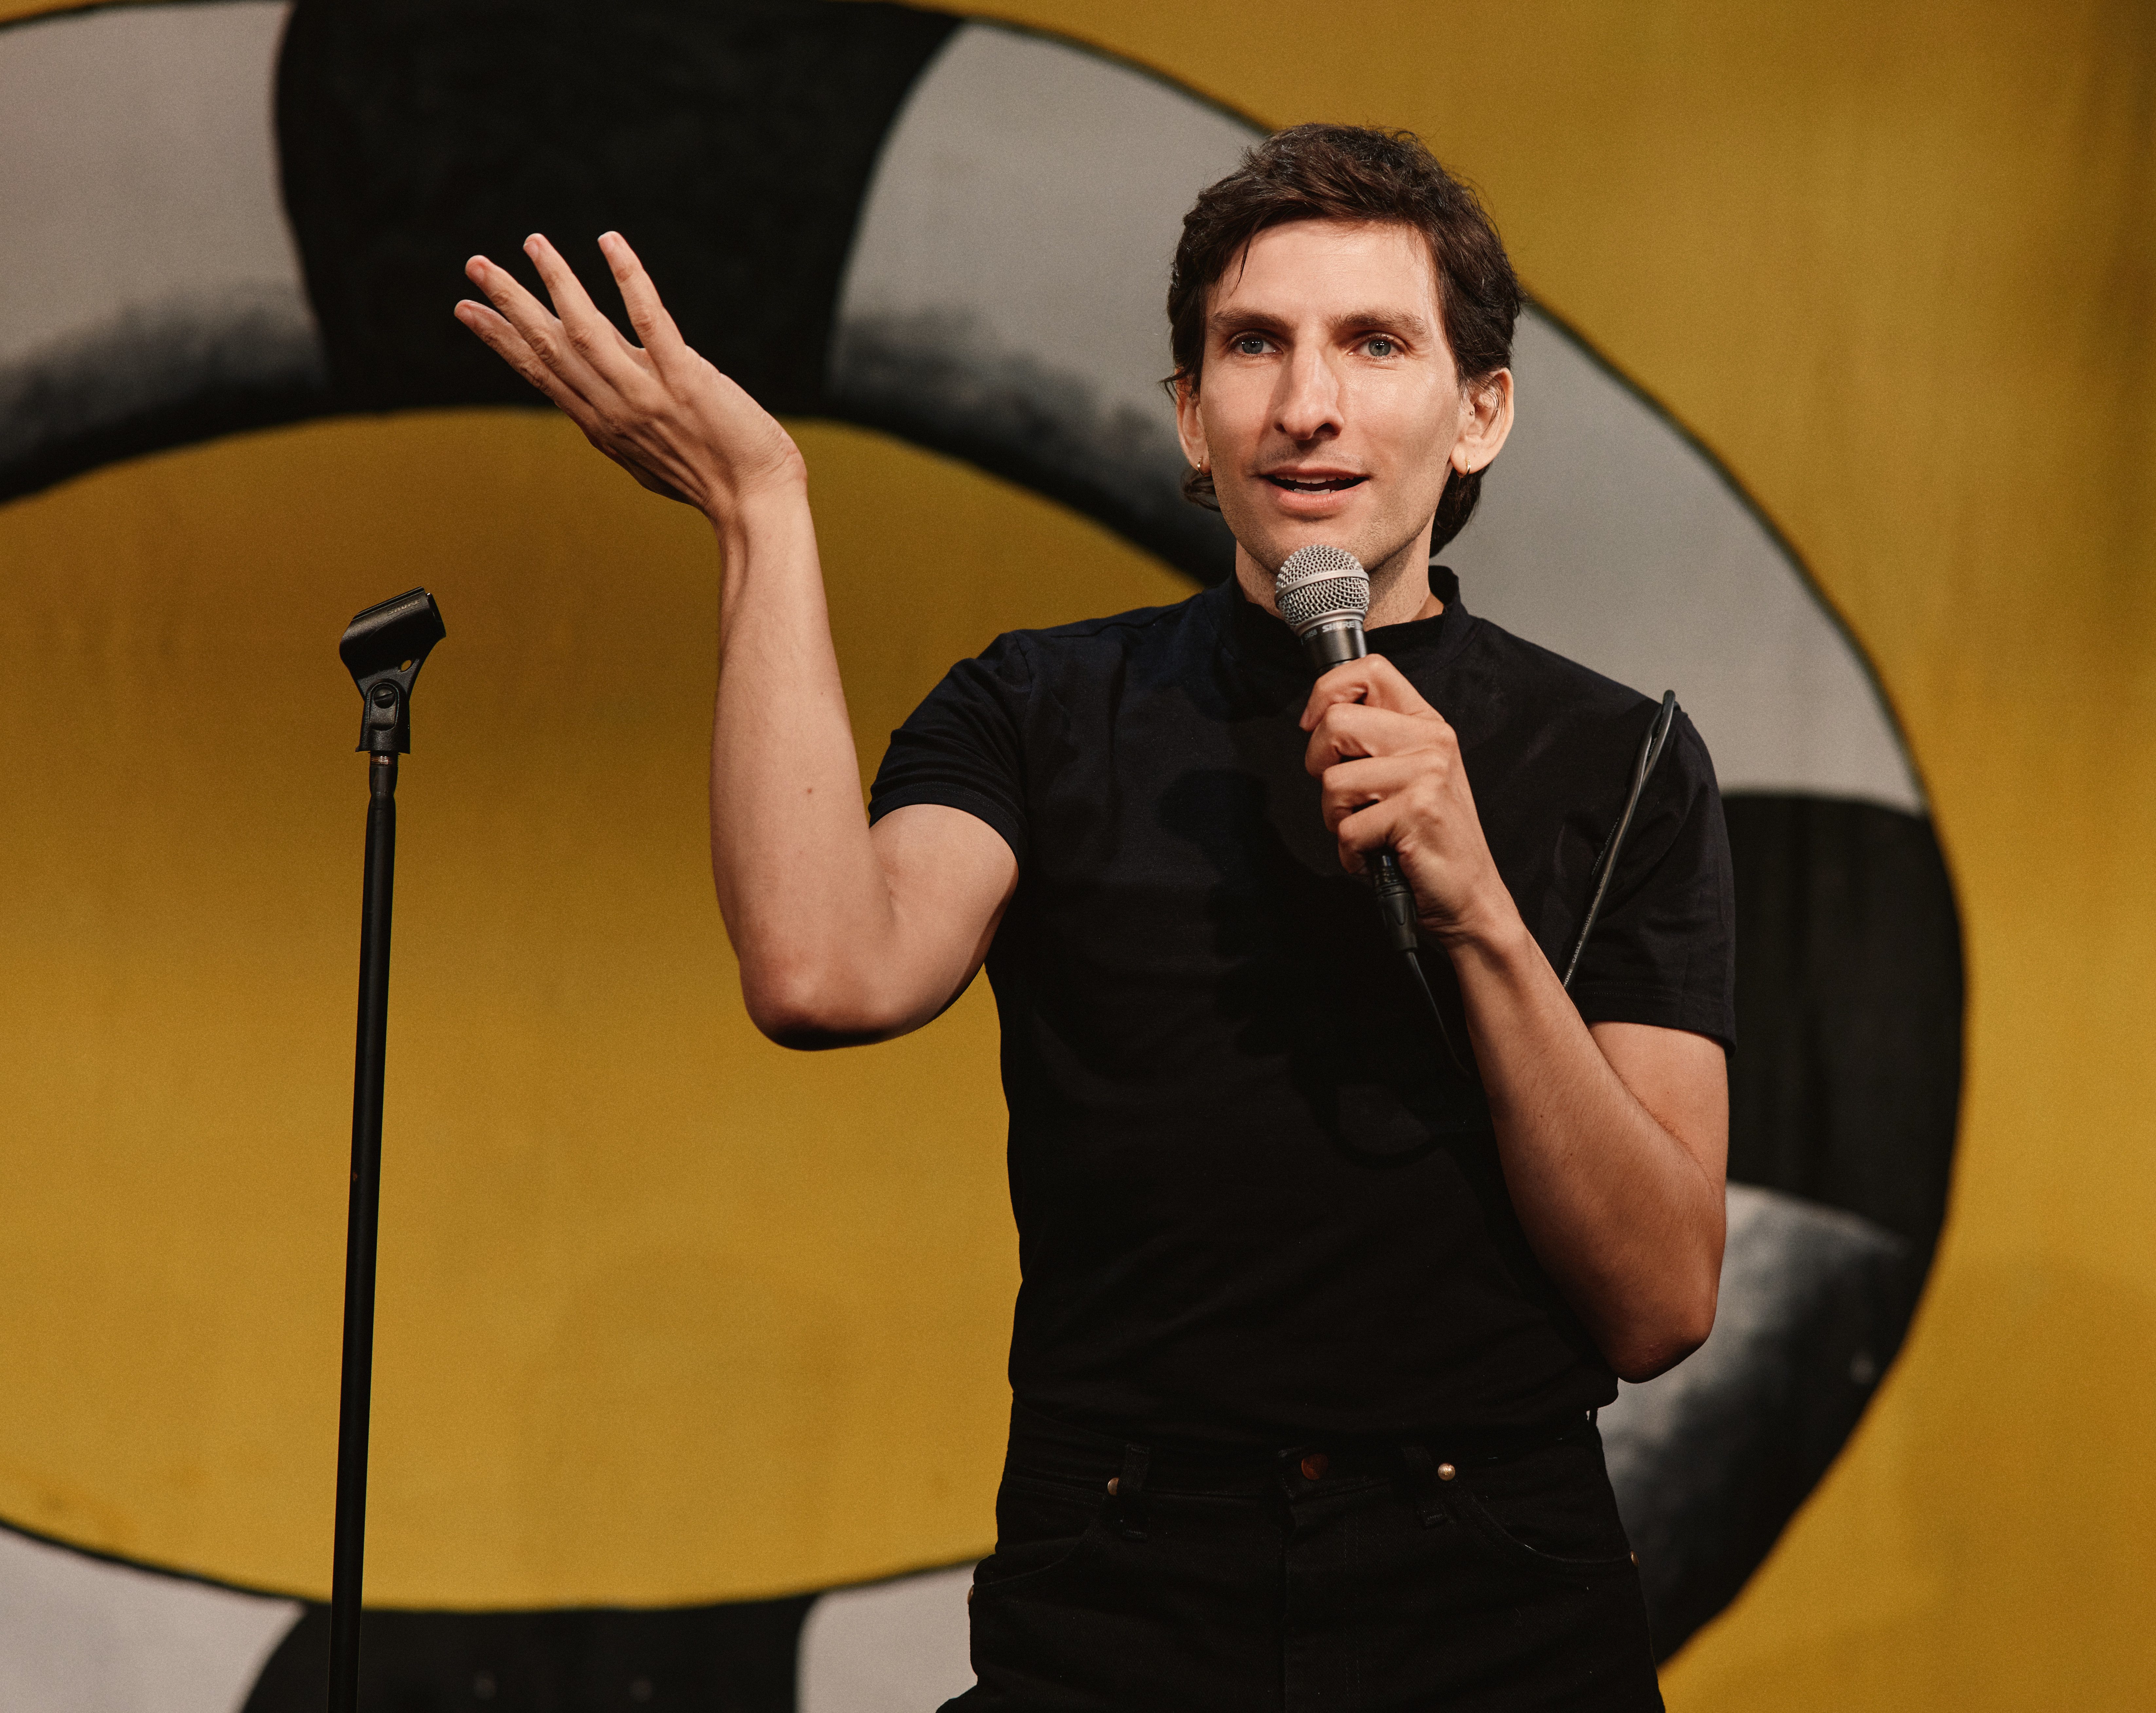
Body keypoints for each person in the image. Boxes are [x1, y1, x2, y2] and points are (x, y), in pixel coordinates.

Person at [459, 124, 1732, 1711]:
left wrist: (1476, 911)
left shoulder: (1619, 758)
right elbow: (822, 971)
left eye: (1374, 343)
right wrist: (762, 508)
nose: (1307, 402)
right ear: (1192, 423)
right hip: (1124, 1577)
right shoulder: (1042, 708)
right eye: (1250, 347)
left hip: (1494, 1586)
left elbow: (1661, 1300)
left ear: (1480, 414)